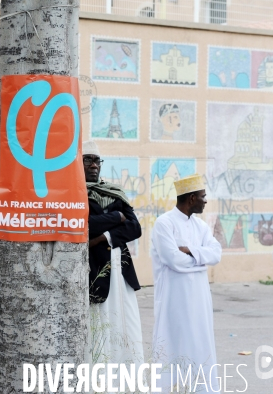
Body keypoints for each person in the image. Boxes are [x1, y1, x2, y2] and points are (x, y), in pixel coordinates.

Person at [151, 174, 222, 392]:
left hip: (199, 298)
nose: (205, 200)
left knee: (200, 341)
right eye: (203, 196)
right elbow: (172, 259)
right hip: (174, 297)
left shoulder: (200, 226)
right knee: (173, 340)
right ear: (192, 198)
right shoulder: (164, 223)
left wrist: (191, 251)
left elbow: (216, 254)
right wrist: (201, 260)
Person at [83, 141, 144, 366]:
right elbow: (83, 224)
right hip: (94, 270)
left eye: (96, 160)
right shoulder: (74, 194)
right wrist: (117, 218)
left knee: (124, 322)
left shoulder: (114, 192)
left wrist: (103, 238)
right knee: (100, 325)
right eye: (87, 160)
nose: (93, 165)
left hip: (120, 268)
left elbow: (135, 227)